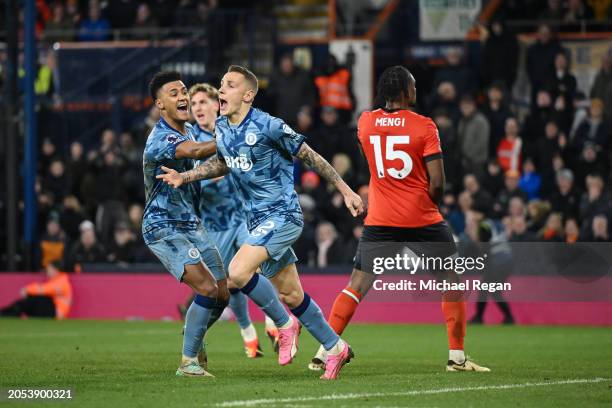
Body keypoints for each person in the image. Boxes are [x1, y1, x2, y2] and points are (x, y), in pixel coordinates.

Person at [157, 65, 363, 380]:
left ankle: (285, 324)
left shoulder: (270, 126)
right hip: (257, 221)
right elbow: (222, 163)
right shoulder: (223, 128)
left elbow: (311, 156)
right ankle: (335, 348)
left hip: (283, 215)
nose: (221, 90)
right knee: (292, 294)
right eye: (221, 84)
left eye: (229, 85)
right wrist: (185, 176)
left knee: (237, 271)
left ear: (248, 95)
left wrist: (345, 189)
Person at [307, 66, 490, 373]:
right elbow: (439, 182)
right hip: (422, 218)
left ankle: (325, 352)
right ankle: (457, 358)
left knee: (356, 286)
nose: (416, 90)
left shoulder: (366, 122)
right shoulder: (425, 126)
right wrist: (427, 203)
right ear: (405, 91)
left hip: (381, 219)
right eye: (414, 85)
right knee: (452, 283)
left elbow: (377, 164)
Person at [142, 71, 226, 377]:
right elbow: (196, 152)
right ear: (160, 104)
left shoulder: (189, 128)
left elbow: (210, 159)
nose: (183, 97)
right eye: (174, 93)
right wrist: (234, 138)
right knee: (205, 287)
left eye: (183, 91)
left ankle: (194, 333)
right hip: (164, 226)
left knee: (221, 292)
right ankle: (188, 363)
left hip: (192, 223)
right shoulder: (160, 139)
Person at [188, 82, 277, 358]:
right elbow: (202, 173)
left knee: (254, 263)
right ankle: (248, 334)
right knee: (226, 285)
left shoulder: (231, 127)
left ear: (217, 104)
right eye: (194, 105)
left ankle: (274, 323)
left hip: (242, 215)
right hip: (214, 223)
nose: (198, 108)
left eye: (203, 102)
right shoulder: (191, 139)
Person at [0, 261, 72, 320]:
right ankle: (9, 312)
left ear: (55, 270)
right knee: (34, 299)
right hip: (52, 311)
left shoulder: (62, 282)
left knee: (36, 298)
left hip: (56, 314)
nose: (47, 271)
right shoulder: (58, 280)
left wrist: (27, 289)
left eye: (49, 269)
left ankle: (8, 312)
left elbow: (44, 289)